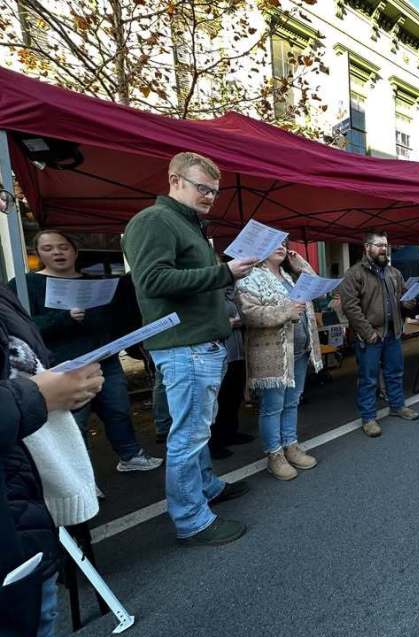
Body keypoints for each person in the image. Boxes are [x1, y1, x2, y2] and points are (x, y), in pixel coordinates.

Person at [122, 151, 256, 547]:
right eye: (202, 188)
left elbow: (182, 281)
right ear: (174, 180)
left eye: (213, 191)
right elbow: (152, 281)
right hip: (186, 347)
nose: (210, 197)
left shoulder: (185, 224)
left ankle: (207, 487)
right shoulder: (154, 220)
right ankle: (192, 520)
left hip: (198, 344)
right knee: (188, 437)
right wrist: (223, 272)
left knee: (197, 431)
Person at [9, 229, 162, 473]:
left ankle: (130, 455)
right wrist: (64, 318)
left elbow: (115, 320)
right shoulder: (25, 285)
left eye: (63, 247)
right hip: (61, 365)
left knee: (118, 410)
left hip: (105, 360)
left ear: (75, 251)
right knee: (75, 421)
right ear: (36, 253)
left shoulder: (96, 282)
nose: (57, 252)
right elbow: (23, 327)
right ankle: (83, 474)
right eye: (48, 248)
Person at [1, 284, 104, 637]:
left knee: (38, 615)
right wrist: (39, 395)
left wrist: (64, 388)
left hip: (25, 504)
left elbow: (31, 362)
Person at [236, 241, 323, 480]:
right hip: (271, 353)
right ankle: (274, 454)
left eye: (284, 243)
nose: (281, 246)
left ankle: (291, 445)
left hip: (300, 350)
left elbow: (318, 290)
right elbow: (248, 313)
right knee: (272, 407)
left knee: (292, 402)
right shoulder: (249, 276)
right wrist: (285, 312)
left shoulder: (289, 275)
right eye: (273, 242)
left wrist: (302, 265)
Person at [338, 230, 419, 438]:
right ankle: (368, 418)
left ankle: (397, 406)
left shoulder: (394, 273)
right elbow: (350, 307)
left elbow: (404, 299)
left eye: (386, 245)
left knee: (395, 372)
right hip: (371, 336)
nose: (384, 249)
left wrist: (411, 301)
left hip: (393, 333)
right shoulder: (354, 274)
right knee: (369, 379)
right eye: (379, 245)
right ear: (367, 248)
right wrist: (368, 333)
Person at [208, 284, 253, 460]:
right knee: (220, 398)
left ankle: (230, 432)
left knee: (233, 396)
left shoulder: (233, 293)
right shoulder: (211, 295)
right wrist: (230, 323)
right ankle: (215, 441)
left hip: (237, 351)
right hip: (220, 353)